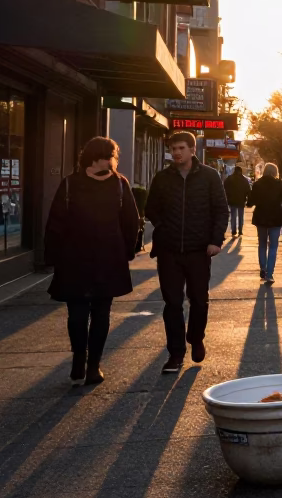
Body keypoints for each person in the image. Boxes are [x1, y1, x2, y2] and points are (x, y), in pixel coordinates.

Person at [44, 137, 141, 386]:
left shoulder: (120, 184)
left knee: (101, 314)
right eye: (107, 155)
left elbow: (131, 221)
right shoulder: (70, 184)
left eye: (112, 155)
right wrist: (52, 256)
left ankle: (93, 364)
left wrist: (128, 251)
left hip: (108, 259)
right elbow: (56, 222)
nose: (110, 160)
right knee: (77, 315)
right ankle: (80, 358)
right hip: (74, 260)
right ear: (93, 157)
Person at [146, 132, 228, 374]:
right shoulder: (162, 178)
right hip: (169, 251)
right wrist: (163, 228)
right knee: (172, 303)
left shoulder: (209, 177)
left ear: (193, 149)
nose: (176, 152)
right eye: (173, 148)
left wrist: (215, 241)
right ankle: (176, 353)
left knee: (199, 301)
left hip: (198, 250)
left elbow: (221, 210)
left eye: (181, 147)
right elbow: (151, 208)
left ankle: (196, 337)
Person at [248, 163, 282, 284]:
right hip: (276, 218)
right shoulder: (280, 184)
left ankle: (263, 269)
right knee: (273, 246)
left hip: (260, 218)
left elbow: (251, 201)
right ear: (275, 172)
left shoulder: (257, 184)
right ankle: (269, 273)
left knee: (262, 244)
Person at [223, 165, 252, 237]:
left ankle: (233, 231)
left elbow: (224, 188)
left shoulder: (229, 179)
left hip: (232, 200)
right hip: (241, 200)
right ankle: (240, 230)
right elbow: (248, 191)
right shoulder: (244, 180)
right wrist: (249, 201)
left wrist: (227, 197)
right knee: (240, 216)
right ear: (241, 171)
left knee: (233, 216)